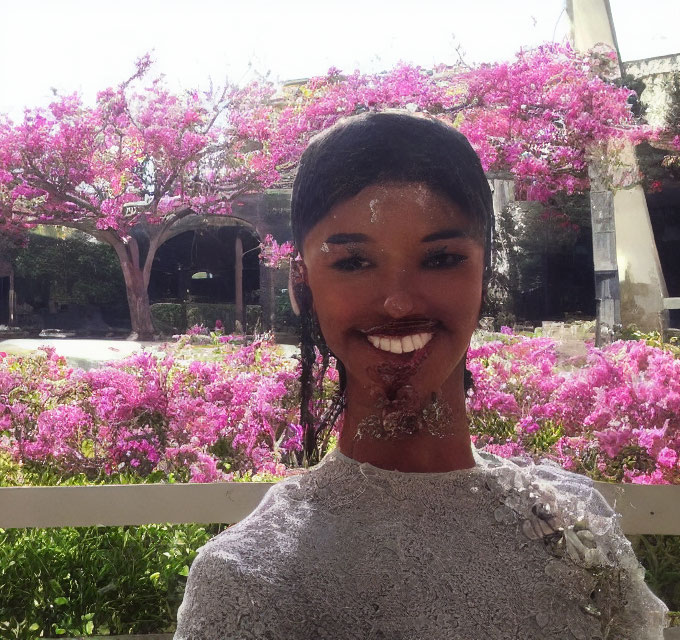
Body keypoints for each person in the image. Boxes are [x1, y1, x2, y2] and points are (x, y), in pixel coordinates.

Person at [173, 111, 667, 639]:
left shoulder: (573, 518)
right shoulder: (248, 580)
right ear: (303, 282)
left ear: (486, 271)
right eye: (353, 262)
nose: (399, 300)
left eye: (442, 258)